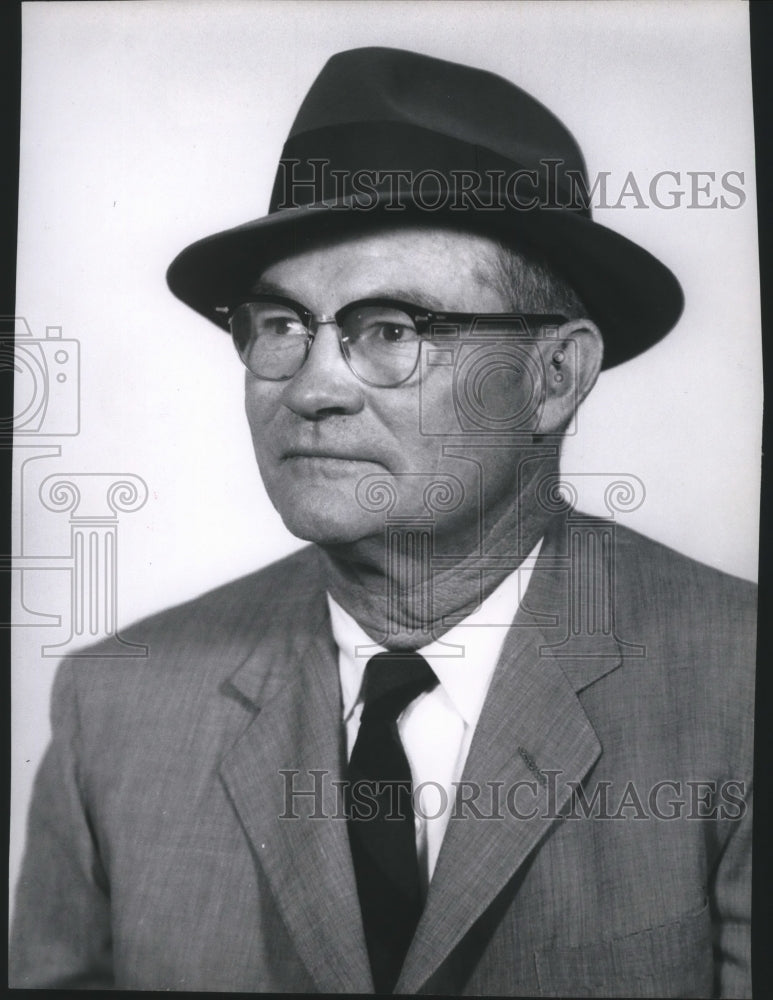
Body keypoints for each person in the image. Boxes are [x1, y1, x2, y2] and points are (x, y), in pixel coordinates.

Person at [10, 47, 755, 996]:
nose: (313, 386)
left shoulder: (736, 688)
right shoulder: (114, 707)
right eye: (280, 325)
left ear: (552, 377)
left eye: (392, 329)